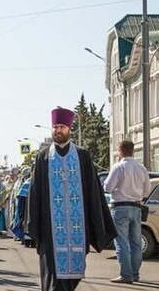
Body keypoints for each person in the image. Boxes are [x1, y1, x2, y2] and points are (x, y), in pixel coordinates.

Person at [28, 107, 116, 291]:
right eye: (55, 127)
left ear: (69, 129)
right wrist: (33, 224)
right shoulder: (43, 157)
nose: (57, 130)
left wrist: (97, 224)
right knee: (53, 278)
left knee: (73, 275)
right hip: (50, 229)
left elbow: (93, 190)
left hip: (77, 228)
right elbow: (35, 193)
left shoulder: (82, 156)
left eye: (61, 127)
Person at [103, 140, 151, 284]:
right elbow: (147, 190)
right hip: (136, 207)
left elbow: (108, 187)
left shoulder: (118, 167)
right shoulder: (141, 168)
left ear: (120, 151)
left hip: (120, 208)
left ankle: (126, 275)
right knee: (136, 243)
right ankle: (135, 274)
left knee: (122, 242)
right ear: (132, 150)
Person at [11, 167, 33, 245]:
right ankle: (27, 241)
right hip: (27, 209)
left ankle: (27, 241)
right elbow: (21, 198)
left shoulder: (27, 183)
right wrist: (21, 212)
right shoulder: (26, 183)